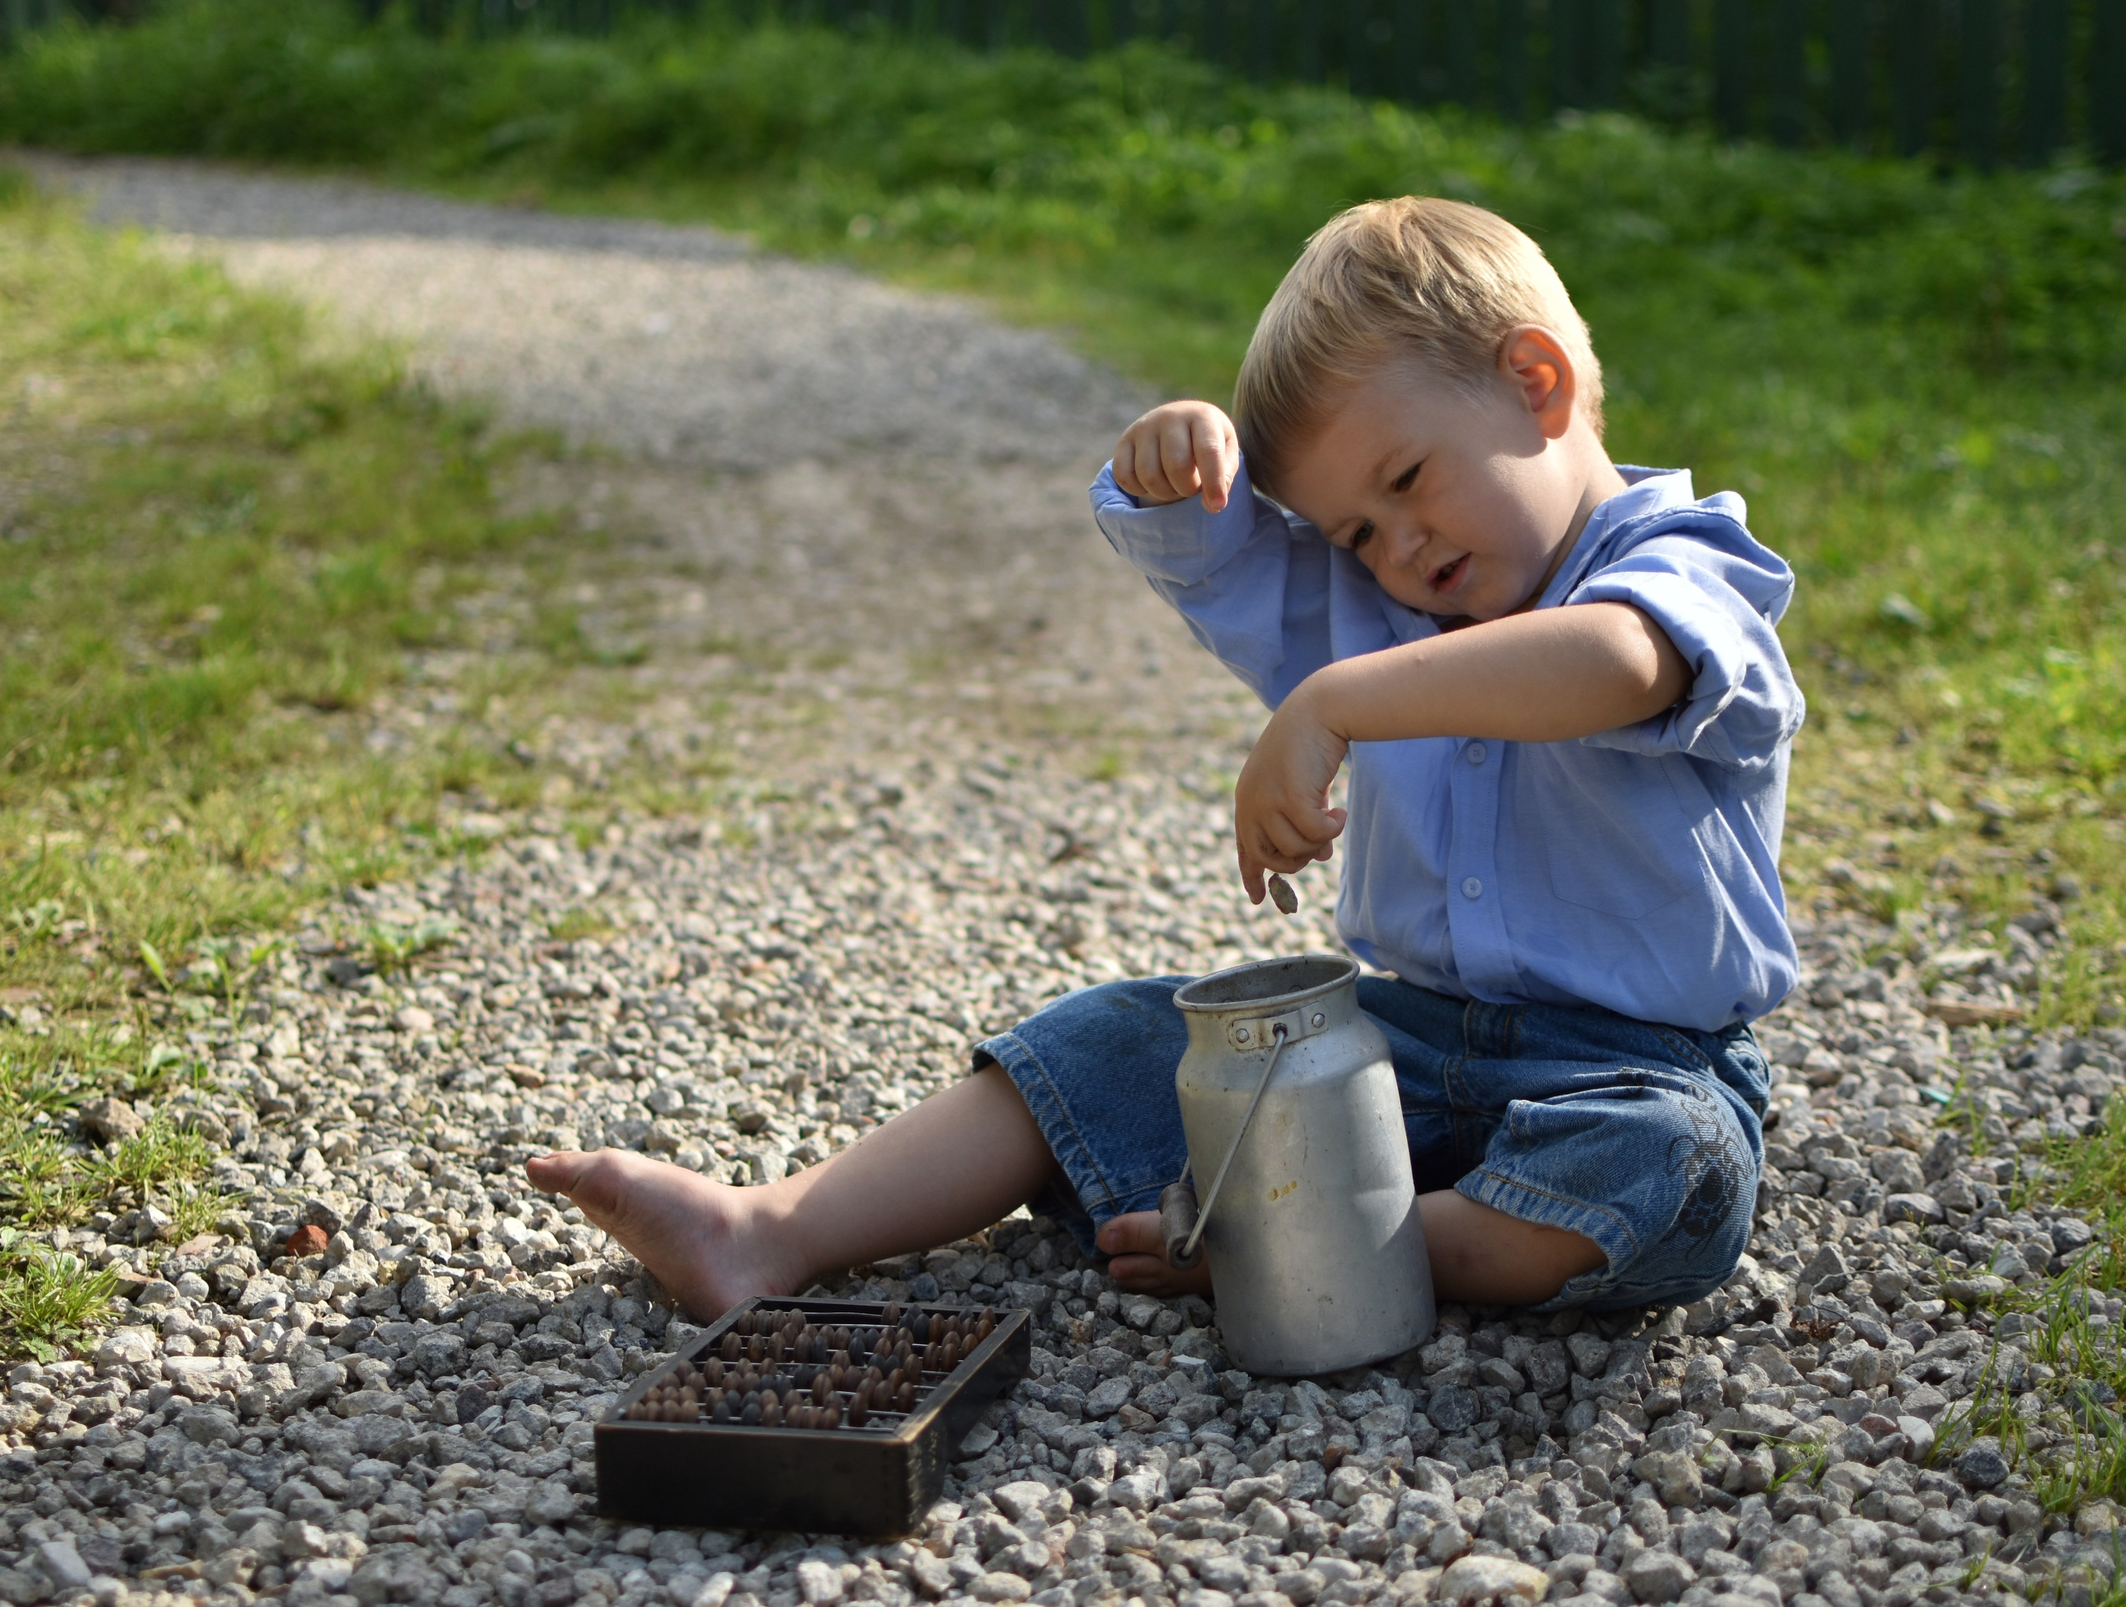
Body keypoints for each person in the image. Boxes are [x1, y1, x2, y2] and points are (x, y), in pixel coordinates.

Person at [529, 196, 1799, 1319]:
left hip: (1634, 1065)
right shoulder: (1394, 603)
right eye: (1355, 532)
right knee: (1117, 1038)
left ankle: (1334, 1249)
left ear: (1536, 383)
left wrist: (1334, 705)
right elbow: (1242, 562)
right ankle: (771, 1230)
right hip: (1401, 1048)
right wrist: (1187, 466)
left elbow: (1619, 664)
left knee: (1667, 1163)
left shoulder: (1682, 563)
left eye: (1408, 481)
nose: (1394, 550)